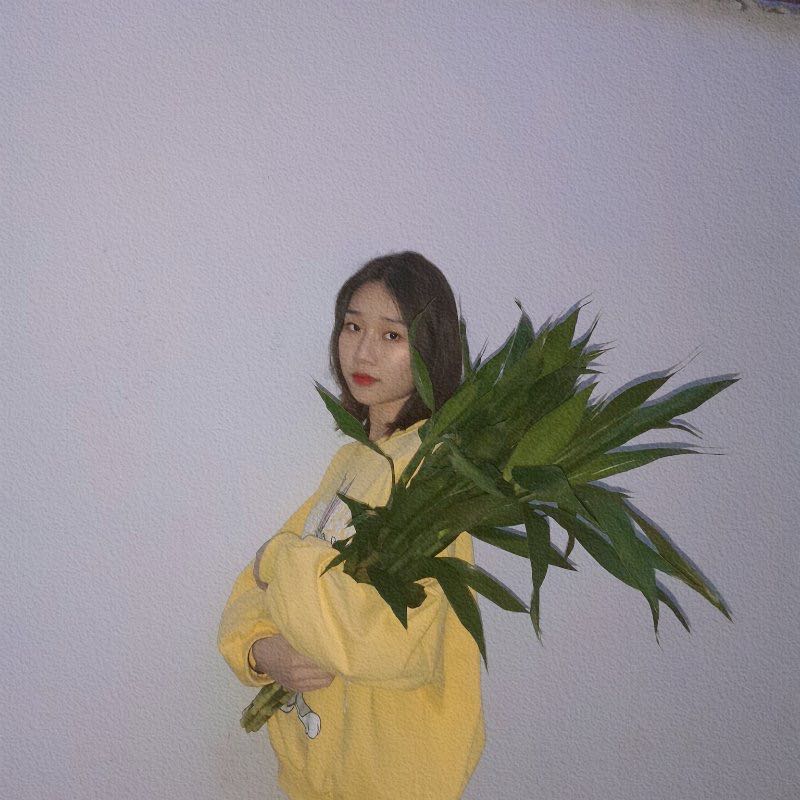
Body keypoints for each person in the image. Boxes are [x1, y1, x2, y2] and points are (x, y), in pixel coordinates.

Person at [217, 251, 485, 800]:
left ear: (431, 348)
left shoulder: (434, 473)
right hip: (320, 777)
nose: (363, 351)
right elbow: (253, 591)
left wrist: (278, 560)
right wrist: (263, 651)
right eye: (353, 326)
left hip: (391, 782)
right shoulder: (353, 462)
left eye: (392, 335)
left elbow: (384, 642)